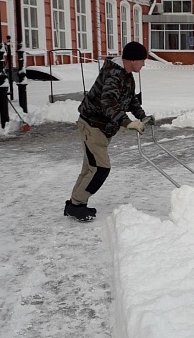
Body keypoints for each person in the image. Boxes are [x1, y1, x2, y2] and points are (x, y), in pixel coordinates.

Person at [64, 41, 155, 221]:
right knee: (100, 169)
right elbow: (108, 102)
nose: (144, 64)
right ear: (132, 60)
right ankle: (76, 205)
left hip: (101, 128)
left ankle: (76, 204)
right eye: (142, 61)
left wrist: (142, 116)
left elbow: (130, 100)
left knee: (90, 168)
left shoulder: (127, 75)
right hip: (92, 126)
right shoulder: (113, 75)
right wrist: (127, 122)